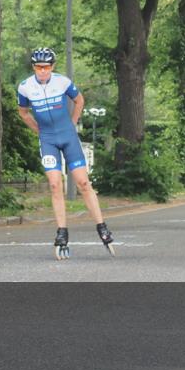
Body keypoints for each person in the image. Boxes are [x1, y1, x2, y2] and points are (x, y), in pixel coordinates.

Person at [16, 47, 115, 260]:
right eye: (38, 67)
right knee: (54, 184)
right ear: (33, 67)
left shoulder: (62, 82)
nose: (42, 71)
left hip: (68, 136)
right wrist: (39, 131)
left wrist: (73, 122)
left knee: (83, 183)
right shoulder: (25, 87)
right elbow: (23, 112)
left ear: (53, 66)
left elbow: (79, 100)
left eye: (46, 67)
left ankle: (102, 226)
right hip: (48, 139)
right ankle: (62, 232)